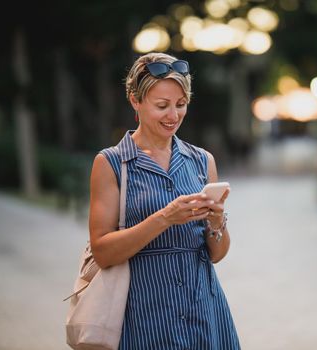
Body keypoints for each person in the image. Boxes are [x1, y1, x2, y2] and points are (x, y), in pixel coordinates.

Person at [88, 52, 241, 349]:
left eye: (181, 105)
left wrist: (216, 220)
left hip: (204, 317)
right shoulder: (111, 163)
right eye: (162, 106)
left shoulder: (201, 161)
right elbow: (103, 252)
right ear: (135, 100)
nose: (174, 116)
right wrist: (165, 217)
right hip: (144, 321)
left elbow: (217, 254)